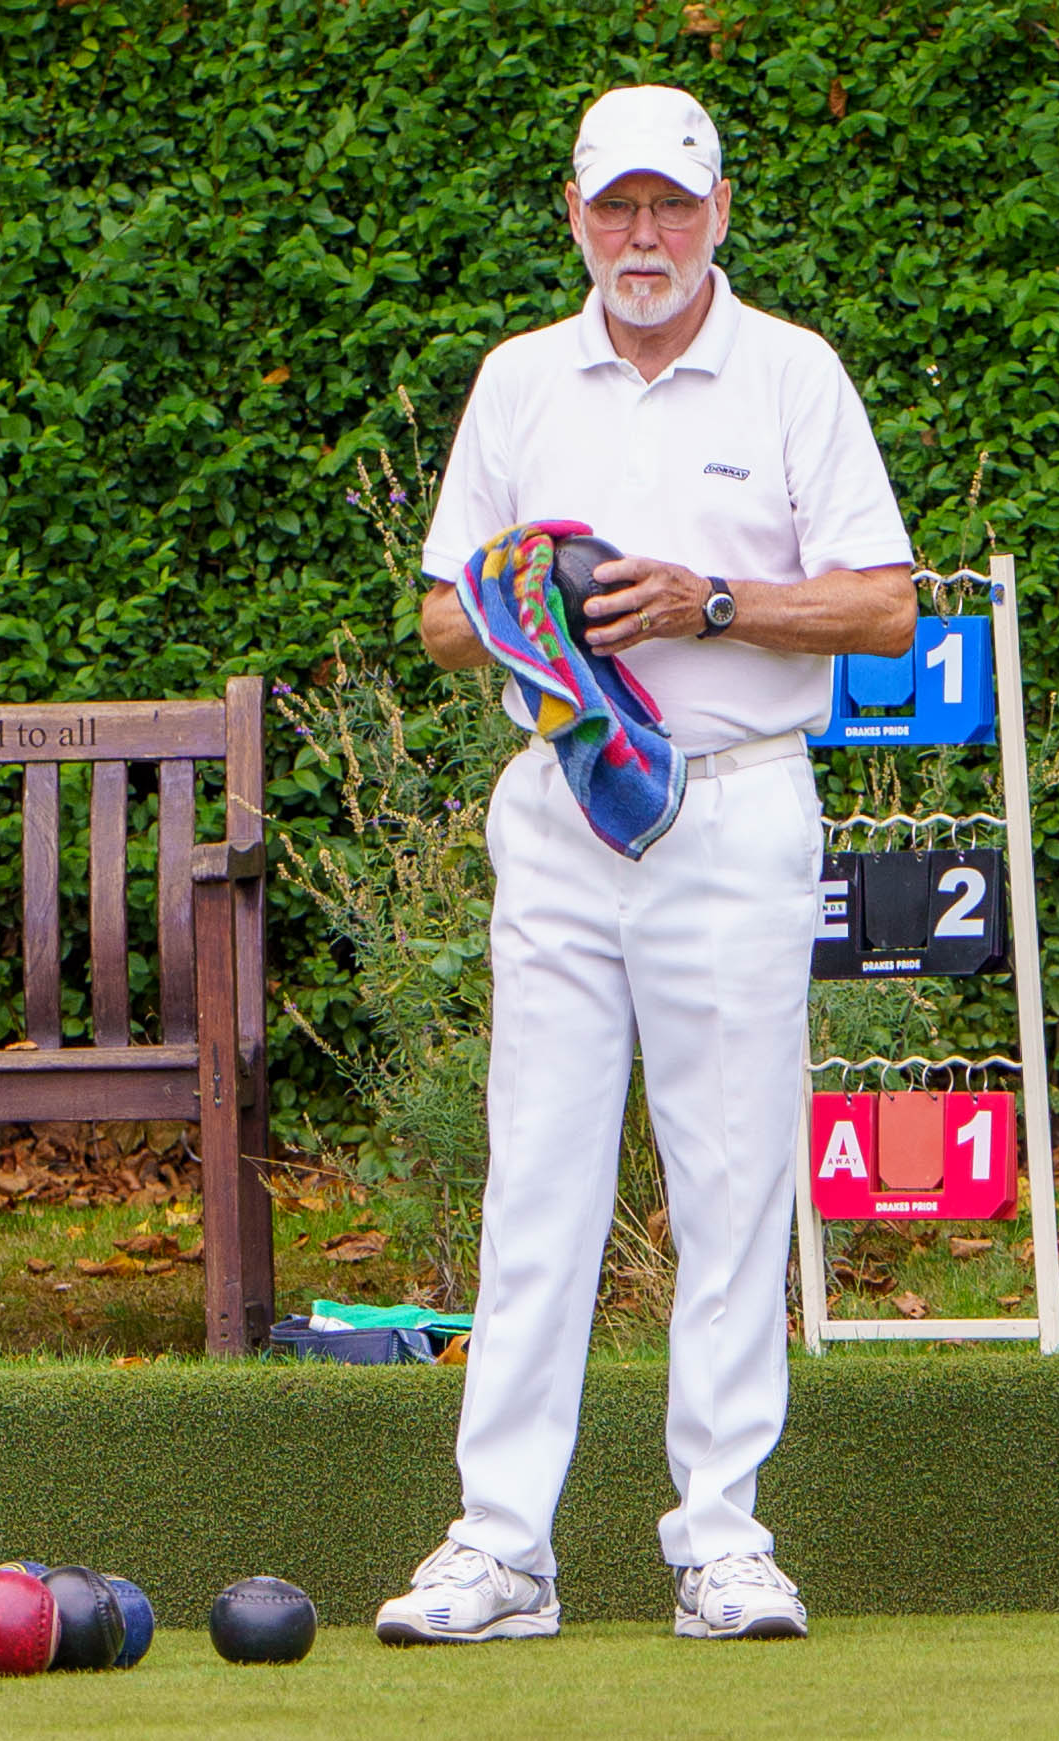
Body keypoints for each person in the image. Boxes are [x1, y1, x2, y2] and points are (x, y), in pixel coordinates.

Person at [375, 85, 916, 1646]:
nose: (642, 236)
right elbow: (432, 612)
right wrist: (523, 601)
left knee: (734, 1179)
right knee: (535, 1176)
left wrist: (711, 606)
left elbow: (882, 607)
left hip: (737, 803)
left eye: (669, 207)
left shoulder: (793, 375)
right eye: (615, 208)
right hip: (559, 806)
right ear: (572, 217)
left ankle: (723, 1540)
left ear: (718, 213)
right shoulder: (520, 379)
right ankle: (500, 1549)